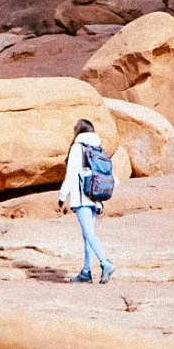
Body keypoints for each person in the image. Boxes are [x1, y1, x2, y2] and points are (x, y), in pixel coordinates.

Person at [58, 116, 115, 284]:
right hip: (96, 196)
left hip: (82, 197)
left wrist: (62, 198)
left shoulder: (78, 147)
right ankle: (86, 271)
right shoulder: (97, 147)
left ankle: (105, 263)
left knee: (88, 233)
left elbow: (71, 175)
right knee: (87, 234)